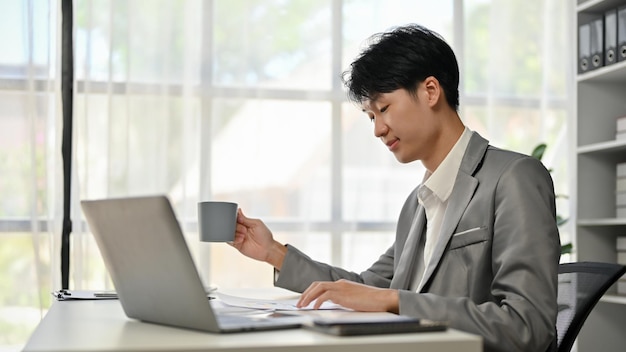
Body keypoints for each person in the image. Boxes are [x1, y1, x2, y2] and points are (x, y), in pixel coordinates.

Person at [231, 24, 560, 352]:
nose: (378, 129)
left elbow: (526, 326)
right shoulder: (416, 206)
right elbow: (365, 288)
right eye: (370, 116)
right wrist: (273, 252)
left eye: (384, 108)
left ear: (431, 91)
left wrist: (394, 301)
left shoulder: (514, 178)